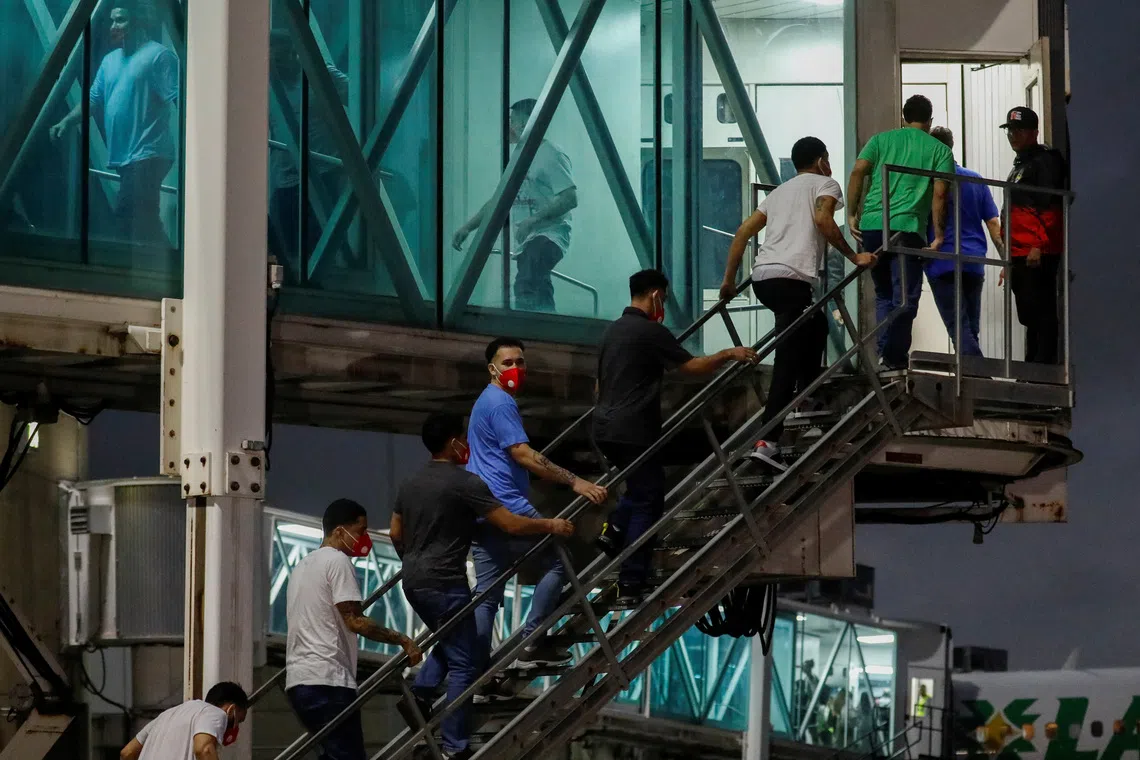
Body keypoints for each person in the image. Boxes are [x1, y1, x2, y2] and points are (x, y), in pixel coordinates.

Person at [390, 413, 575, 760]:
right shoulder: (465, 482)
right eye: (463, 438)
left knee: (458, 638)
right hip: (446, 581)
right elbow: (509, 524)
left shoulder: (409, 483)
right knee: (466, 663)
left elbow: (396, 532)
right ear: (453, 442)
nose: (467, 445)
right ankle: (453, 747)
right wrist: (550, 524)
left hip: (413, 581)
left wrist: (415, 559)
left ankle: (422, 694)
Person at [593, 269, 758, 602]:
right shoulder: (650, 331)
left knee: (640, 489)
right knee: (649, 500)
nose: (663, 305)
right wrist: (728, 354)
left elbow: (598, 383)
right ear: (655, 294)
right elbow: (690, 367)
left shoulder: (613, 331)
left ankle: (615, 531)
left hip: (604, 427)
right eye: (664, 298)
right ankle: (630, 582)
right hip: (634, 428)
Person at [722, 137, 876, 468]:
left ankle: (805, 398)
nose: (831, 163)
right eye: (829, 157)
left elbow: (741, 234)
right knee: (786, 360)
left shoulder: (779, 193)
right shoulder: (826, 184)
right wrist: (854, 256)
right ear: (821, 160)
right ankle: (768, 441)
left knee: (816, 323)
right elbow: (823, 221)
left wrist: (729, 281)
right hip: (791, 281)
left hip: (764, 278)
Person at [467, 337, 607, 669]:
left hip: (480, 505)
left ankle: (473, 669)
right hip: (507, 502)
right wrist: (576, 481)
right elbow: (523, 454)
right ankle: (532, 642)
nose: (516, 369)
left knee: (486, 593)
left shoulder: (485, 401)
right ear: (492, 369)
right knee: (559, 562)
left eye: (520, 362)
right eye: (508, 363)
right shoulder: (501, 403)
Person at [286, 498, 423, 760]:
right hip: (327, 681)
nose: (364, 538)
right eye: (360, 530)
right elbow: (354, 620)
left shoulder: (301, 566)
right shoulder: (337, 561)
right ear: (339, 531)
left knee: (334, 755)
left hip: (299, 682)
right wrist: (403, 640)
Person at [50, 1, 178, 243]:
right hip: (127, 157)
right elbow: (93, 100)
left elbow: (179, 99)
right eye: (111, 20)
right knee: (142, 219)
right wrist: (66, 122)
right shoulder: (110, 61)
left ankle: (164, 266)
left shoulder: (158, 56)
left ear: (138, 22)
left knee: (128, 215)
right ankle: (169, 262)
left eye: (120, 20)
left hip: (149, 153)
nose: (113, 26)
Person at [846, 94, 954, 370]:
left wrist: (851, 212)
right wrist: (939, 236)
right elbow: (940, 194)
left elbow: (858, 171)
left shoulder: (881, 140)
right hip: (906, 229)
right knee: (906, 299)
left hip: (872, 226)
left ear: (903, 118)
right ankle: (893, 358)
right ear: (930, 121)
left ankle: (886, 356)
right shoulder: (940, 151)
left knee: (884, 295)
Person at [452, 99, 577, 313]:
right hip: (528, 238)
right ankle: (548, 329)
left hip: (550, 235)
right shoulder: (518, 156)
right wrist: (468, 227)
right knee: (538, 284)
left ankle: (526, 329)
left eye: (513, 120)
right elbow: (499, 200)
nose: (509, 126)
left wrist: (533, 220)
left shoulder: (551, 153)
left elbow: (569, 198)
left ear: (528, 122)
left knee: (527, 280)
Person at [267, 30, 350, 285]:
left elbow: (361, 97)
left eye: (281, 59)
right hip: (285, 175)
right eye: (273, 61)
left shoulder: (317, 73)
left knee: (318, 242)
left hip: (322, 172)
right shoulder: (268, 82)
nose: (277, 66)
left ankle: (318, 292)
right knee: (283, 242)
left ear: (294, 54)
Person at [925, 126, 1005, 358]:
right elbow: (993, 224)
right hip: (973, 262)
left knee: (959, 329)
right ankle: (971, 377)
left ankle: (979, 375)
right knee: (970, 329)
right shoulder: (975, 179)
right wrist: (1004, 260)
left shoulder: (929, 182)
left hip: (943, 262)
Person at [1000, 106, 1069, 365]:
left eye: (1019, 130)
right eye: (1010, 131)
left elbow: (1050, 205)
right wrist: (1008, 257)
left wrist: (1038, 245)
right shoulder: (1021, 164)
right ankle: (1032, 367)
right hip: (1019, 251)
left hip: (1037, 251)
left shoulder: (1045, 160)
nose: (1013, 136)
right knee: (1028, 314)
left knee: (1041, 310)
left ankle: (1044, 368)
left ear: (1034, 132)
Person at [118, 681, 248, 760]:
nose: (236, 728)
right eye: (239, 720)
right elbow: (204, 749)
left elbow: (127, 753)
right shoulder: (215, 713)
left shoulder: (165, 715)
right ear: (231, 710)